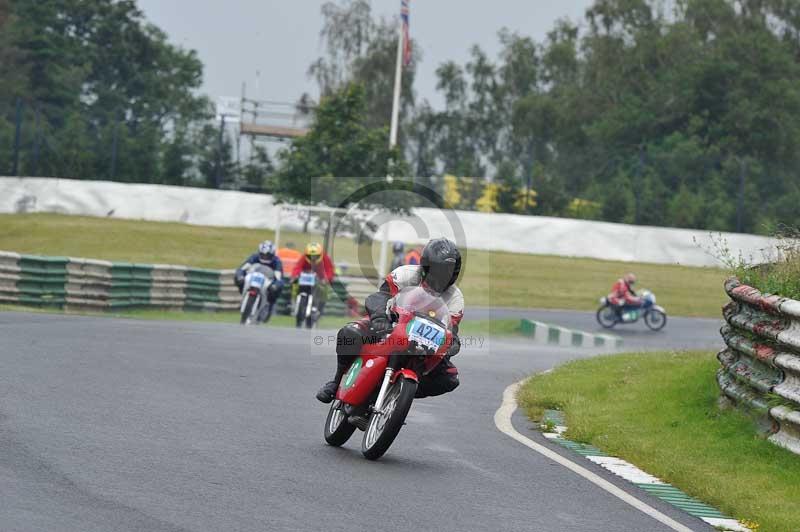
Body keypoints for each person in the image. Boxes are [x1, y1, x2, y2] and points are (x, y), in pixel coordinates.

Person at [316, 237, 464, 404]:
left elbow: (451, 330)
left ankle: (397, 394)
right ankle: (336, 382)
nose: (442, 275)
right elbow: (379, 297)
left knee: (450, 378)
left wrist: (452, 343)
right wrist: (380, 318)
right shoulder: (405, 274)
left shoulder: (456, 298)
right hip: (390, 322)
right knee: (350, 334)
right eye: (438, 270)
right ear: (426, 265)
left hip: (424, 341)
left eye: (448, 270)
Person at [234, 240, 284, 321]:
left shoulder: (277, 261)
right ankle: (243, 295)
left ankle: (270, 306)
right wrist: (240, 276)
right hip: (253, 278)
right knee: (238, 278)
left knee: (277, 289)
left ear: (272, 254)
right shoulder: (254, 257)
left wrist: (275, 285)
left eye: (267, 255)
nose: (264, 257)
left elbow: (279, 278)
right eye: (262, 255)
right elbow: (242, 268)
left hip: (268, 281)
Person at [291, 242, 336, 315]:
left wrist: (326, 279)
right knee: (294, 285)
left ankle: (320, 307)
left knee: (324, 291)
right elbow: (297, 267)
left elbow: (330, 270)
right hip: (306, 278)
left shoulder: (325, 258)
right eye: (310, 256)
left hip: (320, 279)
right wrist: (295, 275)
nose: (313, 258)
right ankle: (294, 303)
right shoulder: (304, 257)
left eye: (315, 256)